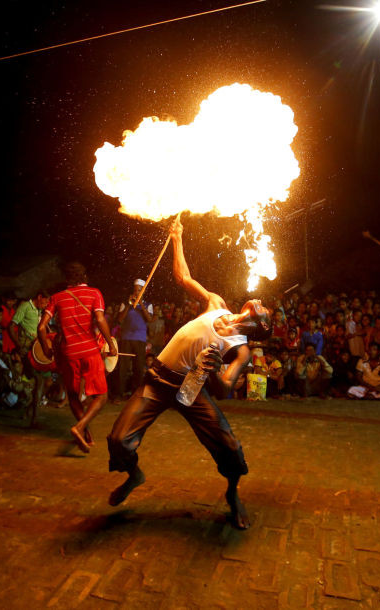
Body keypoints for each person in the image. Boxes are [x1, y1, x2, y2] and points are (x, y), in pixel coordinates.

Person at [106, 219, 272, 530]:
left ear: (259, 326)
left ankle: (233, 494)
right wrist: (177, 238)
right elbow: (183, 277)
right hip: (157, 381)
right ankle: (134, 475)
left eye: (266, 311)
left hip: (192, 390)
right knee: (119, 440)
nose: (261, 303)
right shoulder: (216, 303)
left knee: (231, 448)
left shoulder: (241, 349)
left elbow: (223, 389)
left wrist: (208, 371)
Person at [37, 261, 118, 452]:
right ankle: (80, 427)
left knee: (73, 395)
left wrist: (46, 350)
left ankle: (86, 434)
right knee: (101, 397)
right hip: (89, 351)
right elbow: (99, 319)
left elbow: (41, 328)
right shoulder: (94, 293)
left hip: (68, 353)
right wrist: (111, 344)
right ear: (85, 277)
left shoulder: (56, 297)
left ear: (67, 279)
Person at [114, 278, 153, 401]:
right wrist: (129, 305)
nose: (137, 292)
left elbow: (150, 319)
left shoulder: (148, 305)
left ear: (143, 292)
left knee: (138, 367)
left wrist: (140, 304)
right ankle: (119, 394)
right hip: (126, 338)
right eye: (135, 290)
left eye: (139, 291)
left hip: (140, 340)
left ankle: (135, 395)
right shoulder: (125, 304)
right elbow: (119, 320)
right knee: (122, 367)